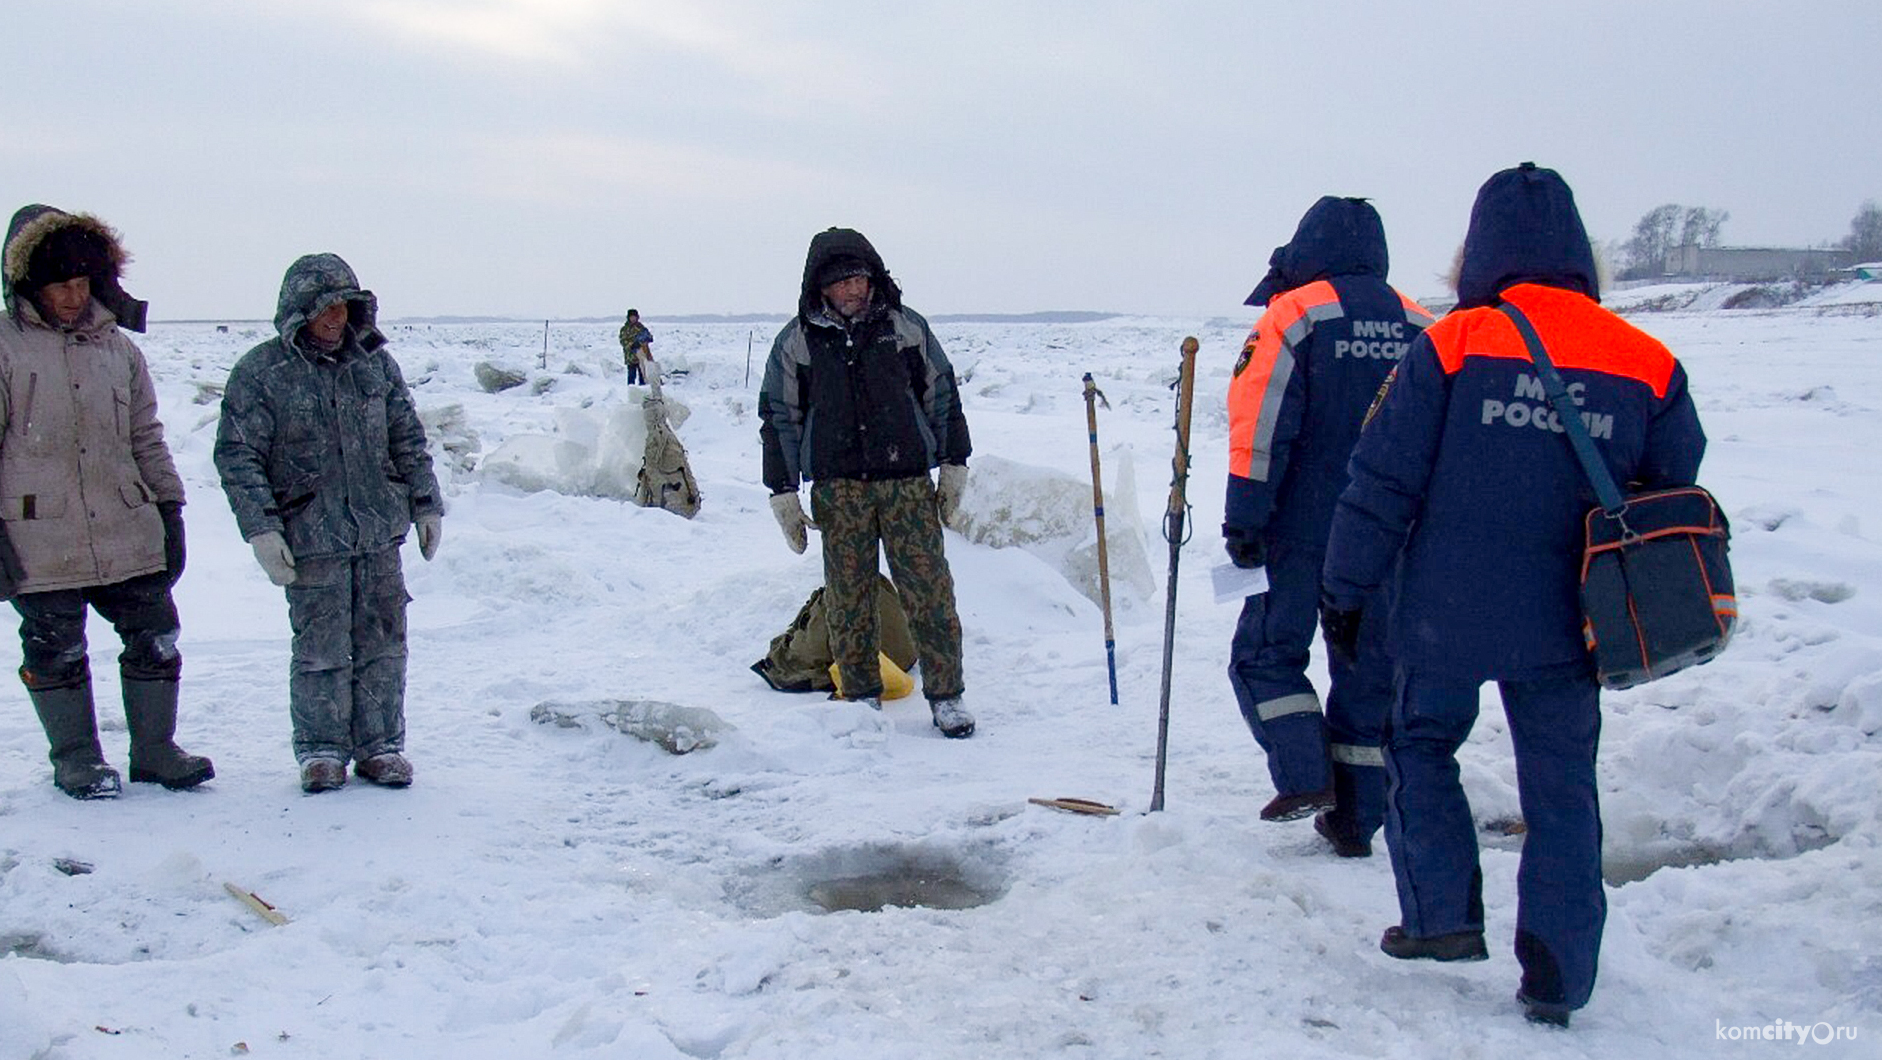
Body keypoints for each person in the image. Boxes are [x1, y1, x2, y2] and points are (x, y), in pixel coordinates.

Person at [1321, 163, 1708, 1026]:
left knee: (1419, 743)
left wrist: (1344, 590)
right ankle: (1559, 976)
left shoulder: (1453, 344)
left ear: (1481, 252)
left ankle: (1442, 920)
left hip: (1442, 611)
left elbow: (1380, 481)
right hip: (1574, 616)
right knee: (1562, 784)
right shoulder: (1646, 361)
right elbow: (1672, 486)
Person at [1223, 197, 1433, 846]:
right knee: (1367, 674)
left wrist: (1245, 518)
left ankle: (1304, 771)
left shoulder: (1295, 316)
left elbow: (1262, 426)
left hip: (1301, 528)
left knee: (1264, 655)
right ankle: (1356, 819)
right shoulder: (1424, 326)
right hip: (1389, 540)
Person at [0, 205, 213, 798]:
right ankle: (77, 759)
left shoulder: (117, 349)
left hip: (125, 525)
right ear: (28, 284)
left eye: (82, 283)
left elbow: (145, 435)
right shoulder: (5, 348)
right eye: (60, 285)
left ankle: (155, 751)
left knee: (156, 635)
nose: (72, 297)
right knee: (56, 648)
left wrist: (169, 507)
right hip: (40, 535)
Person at [214, 254, 443, 793]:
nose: (336, 318)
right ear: (298, 310)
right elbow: (238, 455)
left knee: (383, 641)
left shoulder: (376, 366)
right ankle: (321, 750)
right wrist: (262, 530)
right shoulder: (261, 374)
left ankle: (381, 746)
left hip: (377, 532)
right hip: (311, 536)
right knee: (320, 648)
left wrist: (426, 503)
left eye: (344, 306)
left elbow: (407, 438)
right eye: (324, 308)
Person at [758, 228, 975, 738]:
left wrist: (954, 462)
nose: (854, 289)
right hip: (840, 489)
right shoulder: (798, 341)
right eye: (841, 282)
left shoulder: (905, 327)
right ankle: (860, 698)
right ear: (820, 288)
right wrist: (783, 491)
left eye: (860, 277)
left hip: (906, 484)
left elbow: (941, 393)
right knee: (848, 596)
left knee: (930, 590)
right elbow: (780, 417)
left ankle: (947, 696)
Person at [619, 308, 652, 385]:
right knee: (631, 376)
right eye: (631, 317)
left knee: (643, 377)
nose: (633, 319)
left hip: (642, 357)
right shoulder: (625, 329)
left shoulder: (641, 328)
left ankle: (643, 392)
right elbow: (623, 341)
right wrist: (633, 344)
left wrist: (646, 339)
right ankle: (631, 393)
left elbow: (649, 337)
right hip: (630, 358)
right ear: (628, 318)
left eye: (634, 317)